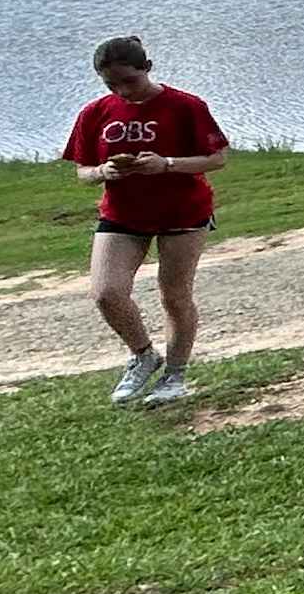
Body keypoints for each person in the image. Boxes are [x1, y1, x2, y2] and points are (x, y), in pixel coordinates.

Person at [63, 35, 232, 406]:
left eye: (130, 81)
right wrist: (102, 171)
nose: (123, 91)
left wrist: (166, 164)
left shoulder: (185, 106)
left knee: (174, 294)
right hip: (122, 214)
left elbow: (217, 158)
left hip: (183, 212)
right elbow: (82, 170)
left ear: (148, 68)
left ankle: (175, 376)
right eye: (112, 84)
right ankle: (142, 355)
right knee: (106, 292)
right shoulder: (95, 113)